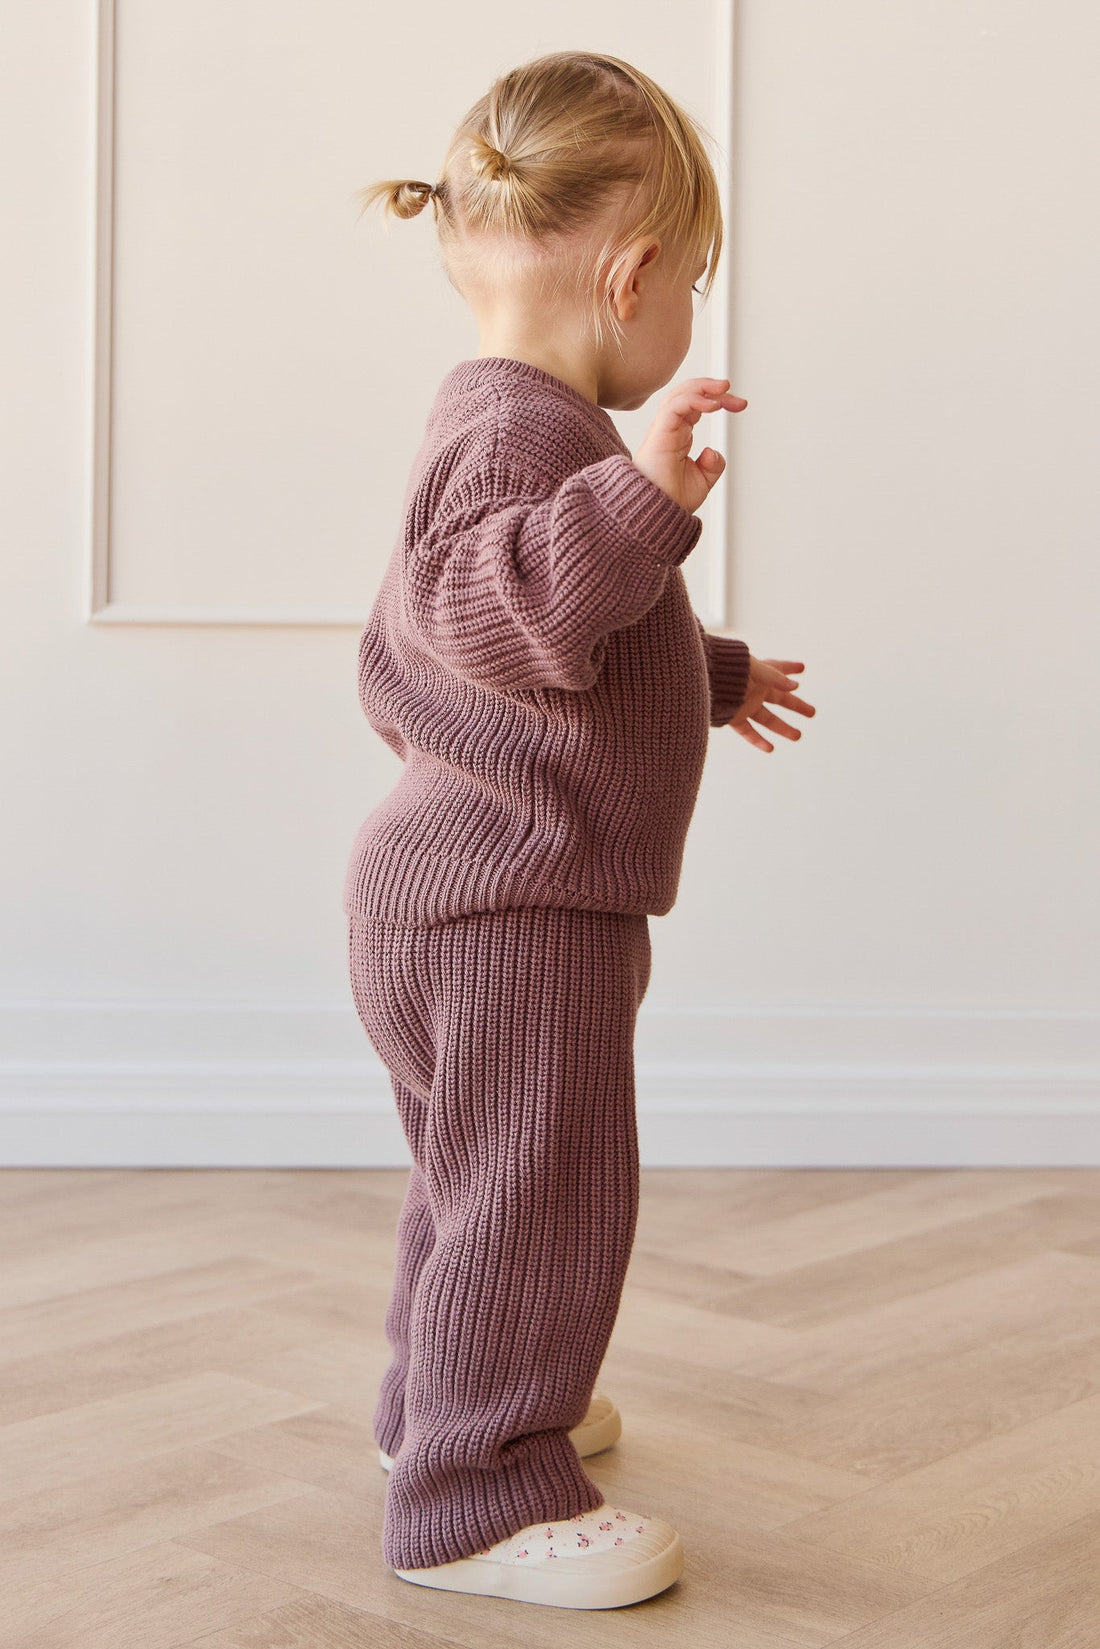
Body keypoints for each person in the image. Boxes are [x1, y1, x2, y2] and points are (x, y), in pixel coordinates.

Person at [343, 49, 815, 1611]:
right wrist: (642, 499)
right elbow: (496, 611)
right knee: (540, 1198)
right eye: (694, 284)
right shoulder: (523, 438)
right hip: (513, 908)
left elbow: (529, 647)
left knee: (476, 1183)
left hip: (459, 896)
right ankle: (475, 1490)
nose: (689, 314)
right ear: (632, 275)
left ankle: (437, 1407)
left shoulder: (499, 428)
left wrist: (711, 674)